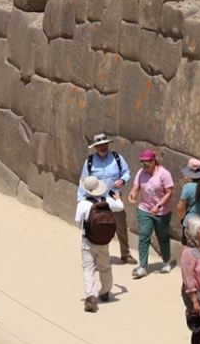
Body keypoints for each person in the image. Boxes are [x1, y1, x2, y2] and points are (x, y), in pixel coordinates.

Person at [78, 134, 132, 266]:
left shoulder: (117, 158)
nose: (103, 147)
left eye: (104, 145)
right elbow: (84, 181)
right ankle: (92, 255)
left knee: (121, 226)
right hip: (97, 199)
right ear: (95, 147)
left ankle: (125, 254)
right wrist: (81, 199)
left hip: (115, 196)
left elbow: (126, 172)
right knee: (95, 226)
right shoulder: (89, 161)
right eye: (99, 146)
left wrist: (123, 180)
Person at [75, 174, 124, 313]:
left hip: (88, 241)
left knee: (88, 268)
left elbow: (78, 224)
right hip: (104, 241)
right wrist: (118, 198)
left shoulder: (83, 204)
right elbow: (120, 207)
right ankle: (105, 292)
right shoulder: (106, 201)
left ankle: (90, 296)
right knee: (105, 267)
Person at [128, 148, 175, 278]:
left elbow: (169, 193)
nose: (145, 165)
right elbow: (136, 186)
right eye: (142, 162)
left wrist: (159, 205)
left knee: (162, 237)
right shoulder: (141, 172)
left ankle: (166, 262)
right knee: (143, 236)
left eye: (147, 162)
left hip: (162, 212)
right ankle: (142, 267)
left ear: (154, 160)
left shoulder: (164, 174)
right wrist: (133, 194)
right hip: (145, 209)